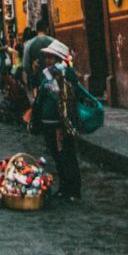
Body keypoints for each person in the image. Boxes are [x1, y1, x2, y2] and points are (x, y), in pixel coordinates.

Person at [31, 41, 85, 202]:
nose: (47, 60)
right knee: (56, 157)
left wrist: (59, 84)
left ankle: (74, 191)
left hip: (60, 124)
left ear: (58, 58)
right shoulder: (46, 73)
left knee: (67, 156)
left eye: (50, 57)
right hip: (48, 123)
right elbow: (40, 94)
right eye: (46, 57)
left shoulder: (67, 73)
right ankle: (63, 188)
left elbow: (71, 94)